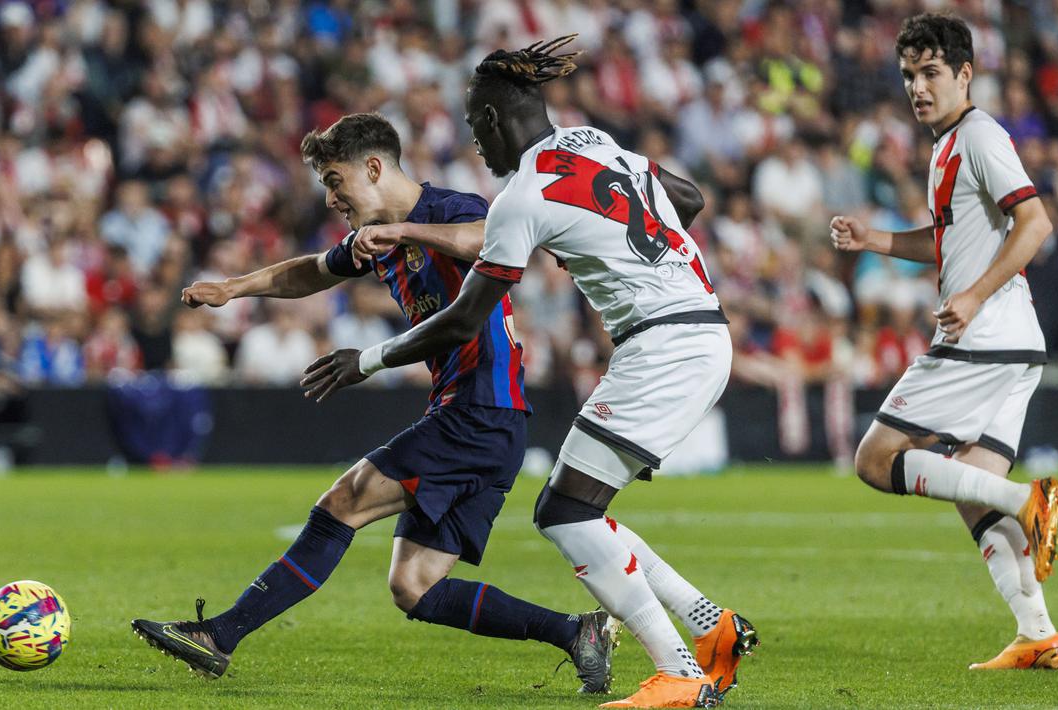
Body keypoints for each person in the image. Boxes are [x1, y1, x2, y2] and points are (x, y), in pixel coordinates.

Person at [303, 38, 756, 709]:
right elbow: (684, 197)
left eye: (471, 127)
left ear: (489, 121)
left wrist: (363, 361)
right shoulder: (590, 140)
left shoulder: (520, 197)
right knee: (576, 507)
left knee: (567, 514)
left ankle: (681, 674)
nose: (474, 145)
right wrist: (618, 244)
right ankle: (709, 627)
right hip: (695, 327)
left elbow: (461, 320)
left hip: (663, 347)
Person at [131, 112, 619, 693]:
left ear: (373, 167)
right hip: (481, 419)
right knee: (414, 585)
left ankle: (220, 635)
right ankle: (576, 632)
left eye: (335, 180)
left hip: (480, 411)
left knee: (343, 503)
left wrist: (404, 234)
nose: (332, 197)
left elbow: (483, 239)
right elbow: (309, 273)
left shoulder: (445, 209)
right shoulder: (375, 238)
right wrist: (233, 288)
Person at [829, 14, 1058, 670]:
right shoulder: (947, 145)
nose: (917, 86)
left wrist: (972, 294)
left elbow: (1035, 221)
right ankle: (1036, 633)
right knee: (968, 488)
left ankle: (1028, 500)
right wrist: (874, 240)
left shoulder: (979, 136)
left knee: (874, 461)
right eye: (908, 75)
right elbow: (947, 241)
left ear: (964, 74)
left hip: (982, 336)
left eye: (931, 72)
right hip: (1012, 342)